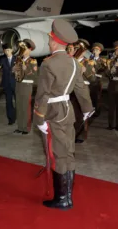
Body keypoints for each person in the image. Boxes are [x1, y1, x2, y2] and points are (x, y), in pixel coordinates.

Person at [34, 19, 93, 210]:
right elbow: (81, 88)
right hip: (68, 111)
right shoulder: (74, 63)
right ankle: (66, 196)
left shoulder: (48, 64)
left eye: (50, 39)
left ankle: (63, 199)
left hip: (53, 113)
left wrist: (39, 118)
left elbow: (42, 94)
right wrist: (87, 109)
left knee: (58, 155)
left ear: (54, 41)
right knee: (68, 153)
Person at [13, 39, 37, 134]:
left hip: (27, 85)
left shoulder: (32, 61)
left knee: (26, 107)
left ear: (30, 50)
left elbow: (35, 74)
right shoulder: (19, 60)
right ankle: (20, 126)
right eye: (22, 48)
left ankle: (26, 128)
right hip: (18, 84)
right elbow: (17, 73)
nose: (23, 50)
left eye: (25, 49)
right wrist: (14, 70)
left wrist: (26, 69)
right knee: (19, 106)